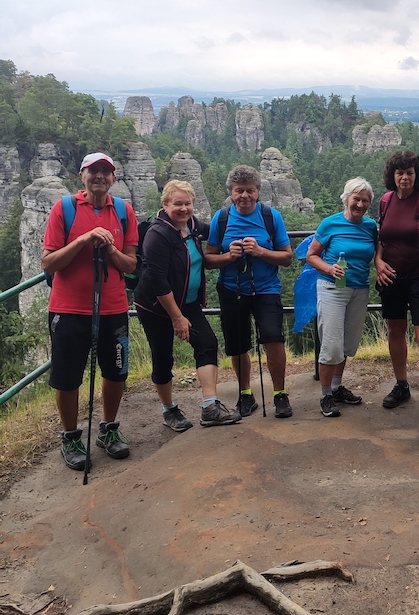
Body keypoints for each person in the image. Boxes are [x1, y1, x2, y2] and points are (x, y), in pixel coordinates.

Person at [42, 152, 139, 470]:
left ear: (113, 179)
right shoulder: (64, 208)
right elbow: (49, 262)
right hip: (68, 309)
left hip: (113, 307)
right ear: (82, 174)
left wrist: (110, 247)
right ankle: (70, 436)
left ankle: (108, 429)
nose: (99, 176)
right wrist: (84, 239)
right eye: (93, 171)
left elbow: (130, 265)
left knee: (115, 372)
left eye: (106, 172)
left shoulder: (124, 212)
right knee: (67, 377)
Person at [134, 180, 241, 431]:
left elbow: (216, 232)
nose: (184, 208)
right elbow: (157, 280)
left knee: (207, 343)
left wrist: (241, 242)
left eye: (188, 203)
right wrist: (176, 317)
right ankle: (169, 410)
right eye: (178, 204)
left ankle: (210, 407)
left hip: (189, 302)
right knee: (163, 358)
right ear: (165, 205)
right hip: (157, 307)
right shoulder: (157, 235)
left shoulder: (192, 226)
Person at [204, 165, 293, 418]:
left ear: (258, 192)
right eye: (239, 191)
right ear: (231, 193)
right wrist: (228, 256)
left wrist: (260, 252)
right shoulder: (221, 219)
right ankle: (245, 394)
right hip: (231, 290)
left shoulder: (270, 216)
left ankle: (280, 394)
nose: (244, 196)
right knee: (237, 344)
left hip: (266, 290)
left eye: (250, 191)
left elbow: (287, 257)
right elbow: (209, 260)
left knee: (273, 338)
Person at [375, 150, 419, 423]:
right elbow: (381, 239)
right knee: (395, 331)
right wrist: (378, 262)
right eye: (400, 173)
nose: (405, 178)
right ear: (392, 176)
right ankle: (402, 385)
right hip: (391, 277)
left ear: (417, 175)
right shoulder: (385, 201)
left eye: (409, 173)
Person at [306, 178, 377, 418]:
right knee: (331, 344)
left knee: (347, 343)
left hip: (360, 289)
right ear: (346, 199)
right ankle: (325, 395)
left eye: (365, 200)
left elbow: (378, 253)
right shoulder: (330, 224)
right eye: (356, 199)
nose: (360, 204)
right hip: (332, 288)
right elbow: (311, 255)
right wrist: (329, 268)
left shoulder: (370, 227)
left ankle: (336, 388)